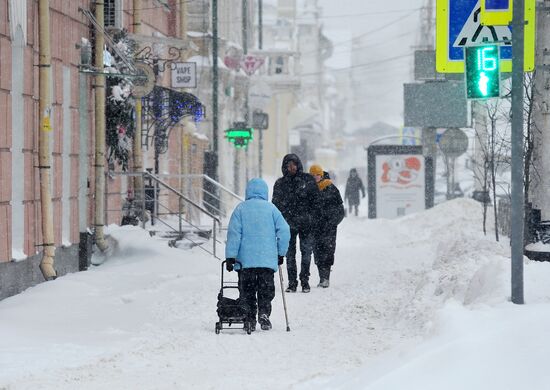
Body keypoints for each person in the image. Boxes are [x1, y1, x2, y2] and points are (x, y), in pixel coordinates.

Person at [225, 178, 290, 331]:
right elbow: (285, 230)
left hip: (245, 262)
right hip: (266, 261)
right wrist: (281, 253)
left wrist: (230, 257)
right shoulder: (272, 209)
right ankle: (264, 313)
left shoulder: (240, 209)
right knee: (265, 289)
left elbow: (234, 234)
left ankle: (249, 317)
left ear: (247, 192)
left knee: (247, 290)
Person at [272, 154, 318, 293]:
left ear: (298, 165)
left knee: (306, 253)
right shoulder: (280, 184)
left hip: (306, 224)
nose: (291, 167)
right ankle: (292, 282)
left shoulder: (308, 180)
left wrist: (311, 217)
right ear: (284, 167)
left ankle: (305, 281)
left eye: (294, 164)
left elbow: (316, 202)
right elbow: (276, 206)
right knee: (289, 254)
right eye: (288, 165)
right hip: (287, 225)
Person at [309, 165, 345, 288]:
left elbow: (341, 210)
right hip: (315, 227)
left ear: (321, 175)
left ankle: (326, 278)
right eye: (312, 175)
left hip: (329, 228)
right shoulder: (309, 189)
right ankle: (322, 278)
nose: (315, 177)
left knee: (328, 251)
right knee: (318, 252)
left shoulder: (331, 188)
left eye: (317, 175)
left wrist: (332, 222)